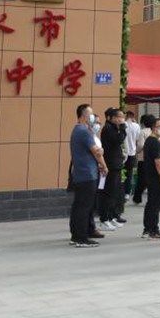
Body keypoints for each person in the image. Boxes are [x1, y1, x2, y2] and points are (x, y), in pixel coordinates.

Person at [69, 104, 107, 248]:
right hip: (87, 174)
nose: (92, 117)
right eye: (91, 114)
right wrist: (104, 165)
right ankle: (81, 238)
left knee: (79, 206)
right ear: (85, 116)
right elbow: (96, 152)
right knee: (84, 207)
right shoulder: (84, 131)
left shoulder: (77, 130)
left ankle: (76, 236)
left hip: (81, 174)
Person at [99, 108, 127, 230]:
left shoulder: (114, 128)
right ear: (112, 118)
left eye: (122, 117)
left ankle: (111, 217)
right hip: (111, 165)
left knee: (114, 193)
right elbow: (119, 140)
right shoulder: (108, 128)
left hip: (116, 165)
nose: (121, 119)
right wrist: (123, 129)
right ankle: (104, 219)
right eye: (119, 117)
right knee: (109, 193)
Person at [141, 120, 160, 240]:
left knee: (151, 203)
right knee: (156, 204)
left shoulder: (149, 140)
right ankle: (153, 229)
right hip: (156, 177)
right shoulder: (155, 142)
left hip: (150, 175)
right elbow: (158, 161)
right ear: (154, 128)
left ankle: (148, 229)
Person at [132, 114, 155, 204]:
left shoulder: (143, 132)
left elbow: (140, 145)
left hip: (143, 158)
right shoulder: (155, 131)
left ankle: (137, 198)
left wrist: (137, 151)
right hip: (154, 158)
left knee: (141, 179)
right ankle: (151, 198)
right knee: (152, 180)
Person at [123, 111, 141, 209]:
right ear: (133, 117)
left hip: (123, 152)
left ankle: (121, 190)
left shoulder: (123, 124)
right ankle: (127, 193)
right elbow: (137, 139)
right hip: (132, 152)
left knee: (121, 172)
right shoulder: (136, 126)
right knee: (129, 173)